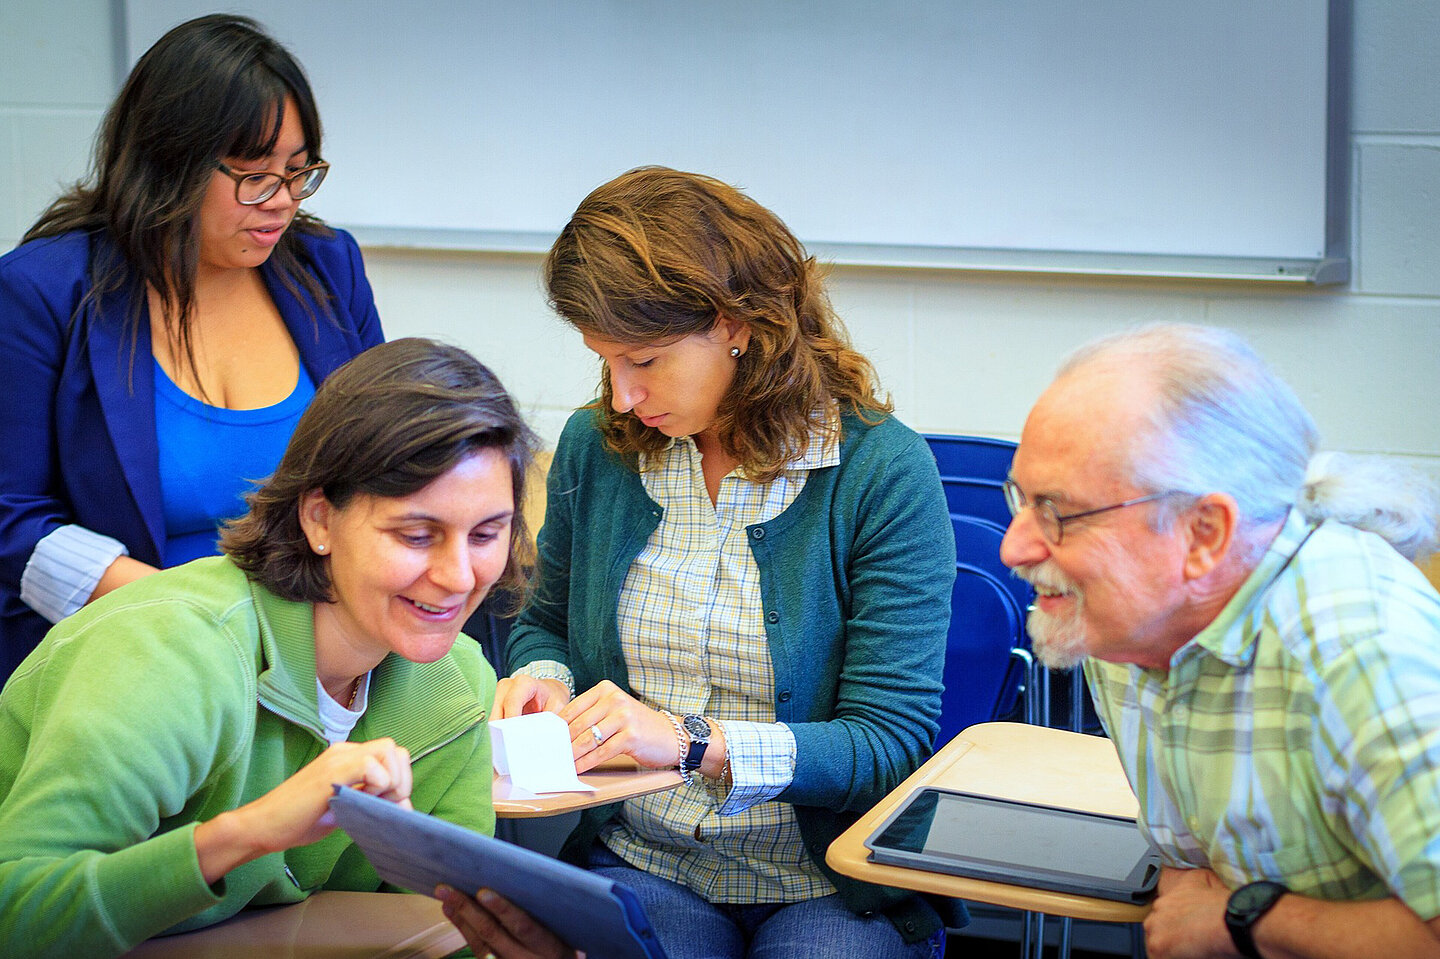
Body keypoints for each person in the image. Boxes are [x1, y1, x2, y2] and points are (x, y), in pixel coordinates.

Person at [463, 166, 954, 959]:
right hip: (648, 857)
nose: (621, 397)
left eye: (645, 361)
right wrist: (546, 680)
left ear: (737, 324)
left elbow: (887, 742)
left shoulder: (880, 471)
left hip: (829, 878)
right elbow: (545, 622)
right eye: (605, 361)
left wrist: (693, 743)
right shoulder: (601, 447)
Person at [0, 337, 537, 958]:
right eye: (417, 535)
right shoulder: (171, 652)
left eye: (487, 534)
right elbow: (16, 913)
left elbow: (445, 933)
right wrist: (248, 834)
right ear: (318, 520)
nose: (460, 577)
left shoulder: (458, 682)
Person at [998, 323, 1440, 959]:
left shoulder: (1364, 659)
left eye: (1058, 513)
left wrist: (1247, 921)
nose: (1014, 546)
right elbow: (1189, 871)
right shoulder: (1124, 621)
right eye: (1021, 498)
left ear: (1203, 534)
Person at [0, 14, 385, 680]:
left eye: (299, 173)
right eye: (254, 176)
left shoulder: (328, 267)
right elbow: (11, 519)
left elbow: (388, 459)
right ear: (169, 162)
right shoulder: (44, 292)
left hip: (313, 659)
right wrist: (197, 620)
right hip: (124, 659)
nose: (282, 202)